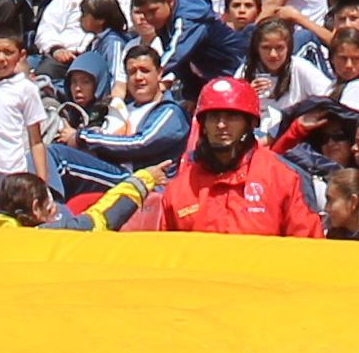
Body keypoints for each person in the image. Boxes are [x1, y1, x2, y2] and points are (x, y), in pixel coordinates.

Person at [125, 74, 327, 237]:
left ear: (251, 123)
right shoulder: (180, 188)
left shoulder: (284, 178)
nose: (221, 125)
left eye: (231, 117)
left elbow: (308, 252)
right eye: (214, 117)